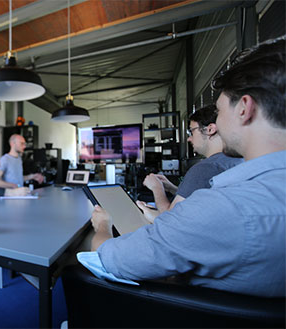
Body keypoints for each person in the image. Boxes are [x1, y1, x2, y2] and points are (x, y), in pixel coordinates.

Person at [90, 37, 285, 297]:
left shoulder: (222, 208)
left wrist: (103, 225)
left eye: (218, 110)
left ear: (244, 108)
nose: (217, 121)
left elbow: (105, 258)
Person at [138, 105, 243, 221]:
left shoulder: (205, 168)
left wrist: (156, 188)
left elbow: (169, 219)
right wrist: (172, 188)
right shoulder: (236, 161)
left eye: (192, 131)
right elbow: (199, 199)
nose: (189, 139)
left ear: (210, 129)